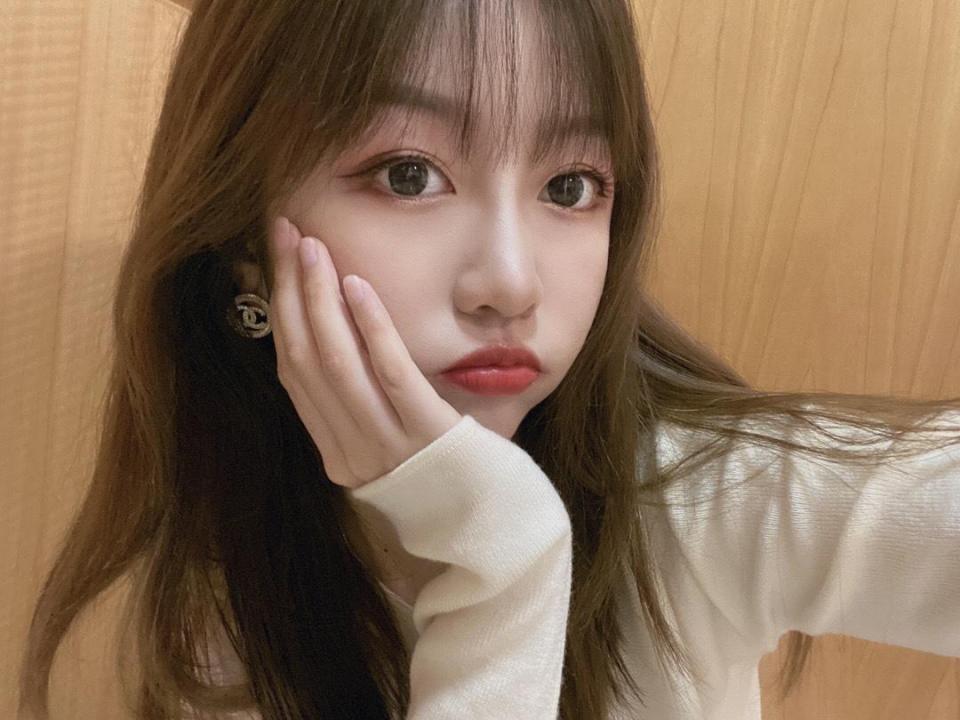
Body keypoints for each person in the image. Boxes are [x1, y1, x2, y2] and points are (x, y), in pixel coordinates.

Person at [17, 0, 960, 718]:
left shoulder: (707, 494)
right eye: (408, 175)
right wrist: (500, 563)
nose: (510, 283)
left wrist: (500, 552)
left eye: (571, 185)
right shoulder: (224, 579)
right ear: (243, 244)